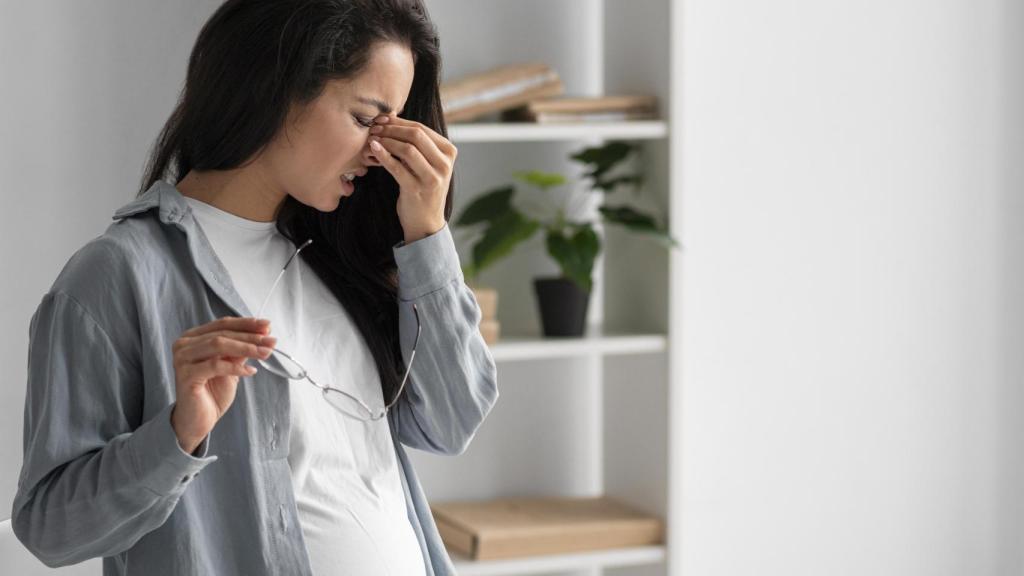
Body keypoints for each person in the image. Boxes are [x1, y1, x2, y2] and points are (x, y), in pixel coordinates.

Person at [10, 0, 499, 574]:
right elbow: (50, 528)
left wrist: (427, 232)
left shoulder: (341, 257)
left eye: (391, 127)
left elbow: (451, 423)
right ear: (276, 89)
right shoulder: (119, 275)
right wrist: (179, 432)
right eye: (367, 118)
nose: (377, 151)